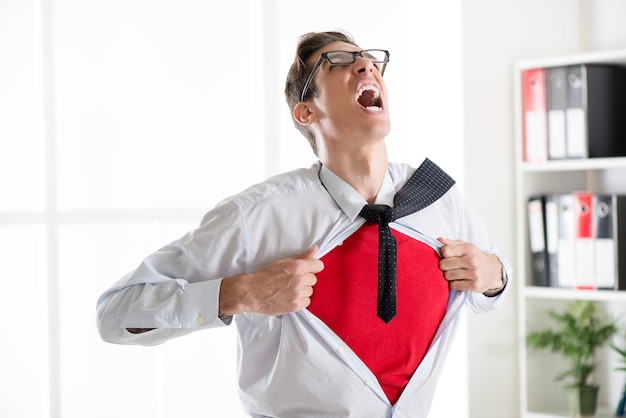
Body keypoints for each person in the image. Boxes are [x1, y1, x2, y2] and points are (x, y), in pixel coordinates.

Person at [96, 30, 511, 417]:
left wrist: (495, 274)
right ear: (306, 111)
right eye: (338, 62)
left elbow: (489, 289)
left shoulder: (438, 198)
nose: (366, 66)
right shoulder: (260, 215)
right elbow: (113, 315)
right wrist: (238, 294)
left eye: (369, 59)